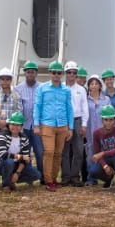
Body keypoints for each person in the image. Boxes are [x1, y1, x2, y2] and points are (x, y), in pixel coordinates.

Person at [33, 60, 74, 190]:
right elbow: (38, 106)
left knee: (58, 154)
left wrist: (70, 127)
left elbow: (69, 108)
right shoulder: (42, 88)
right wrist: (36, 124)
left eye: (59, 73)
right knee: (49, 152)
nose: (56, 75)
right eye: (54, 72)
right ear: (49, 74)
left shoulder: (66, 90)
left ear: (61, 74)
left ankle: (54, 179)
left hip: (62, 125)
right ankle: (48, 180)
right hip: (47, 125)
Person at [0, 67, 23, 188]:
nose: (5, 81)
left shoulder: (16, 96)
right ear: (0, 80)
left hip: (10, 130)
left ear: (11, 80)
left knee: (8, 155)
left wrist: (7, 123)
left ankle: (8, 179)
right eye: (3, 79)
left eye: (7, 79)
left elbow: (19, 111)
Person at [0, 111, 41, 190]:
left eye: (18, 125)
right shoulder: (2, 136)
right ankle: (6, 185)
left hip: (17, 165)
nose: (15, 127)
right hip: (2, 164)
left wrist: (17, 173)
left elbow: (25, 159)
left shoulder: (24, 138)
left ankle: (12, 181)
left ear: (22, 126)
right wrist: (21, 157)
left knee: (37, 175)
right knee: (9, 162)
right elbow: (4, 155)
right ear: (9, 125)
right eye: (13, 124)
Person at [89, 104, 115, 193]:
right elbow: (97, 152)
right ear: (102, 120)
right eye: (106, 120)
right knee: (93, 171)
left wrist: (102, 153)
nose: (108, 122)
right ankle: (109, 178)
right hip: (107, 159)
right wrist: (105, 166)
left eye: (111, 120)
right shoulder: (96, 133)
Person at [62, 61, 89, 186]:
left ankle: (75, 176)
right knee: (65, 151)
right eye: (69, 72)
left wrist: (84, 124)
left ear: (76, 74)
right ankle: (66, 177)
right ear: (65, 73)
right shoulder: (60, 88)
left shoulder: (81, 89)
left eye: (74, 72)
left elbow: (85, 107)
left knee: (78, 151)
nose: (71, 74)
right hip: (64, 122)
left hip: (77, 121)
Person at [17, 60, 45, 177]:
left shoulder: (42, 87)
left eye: (32, 72)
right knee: (25, 154)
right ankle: (29, 177)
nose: (30, 74)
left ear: (36, 73)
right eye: (28, 72)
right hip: (25, 127)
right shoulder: (18, 88)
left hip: (38, 127)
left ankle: (42, 177)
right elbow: (18, 109)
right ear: (25, 73)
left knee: (40, 152)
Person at [85, 74, 106, 184]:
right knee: (90, 156)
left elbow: (110, 116)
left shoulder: (106, 100)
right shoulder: (86, 100)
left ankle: (107, 177)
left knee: (104, 155)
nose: (94, 86)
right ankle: (91, 179)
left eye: (96, 83)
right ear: (89, 86)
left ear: (100, 85)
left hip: (103, 132)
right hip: (90, 132)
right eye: (91, 84)